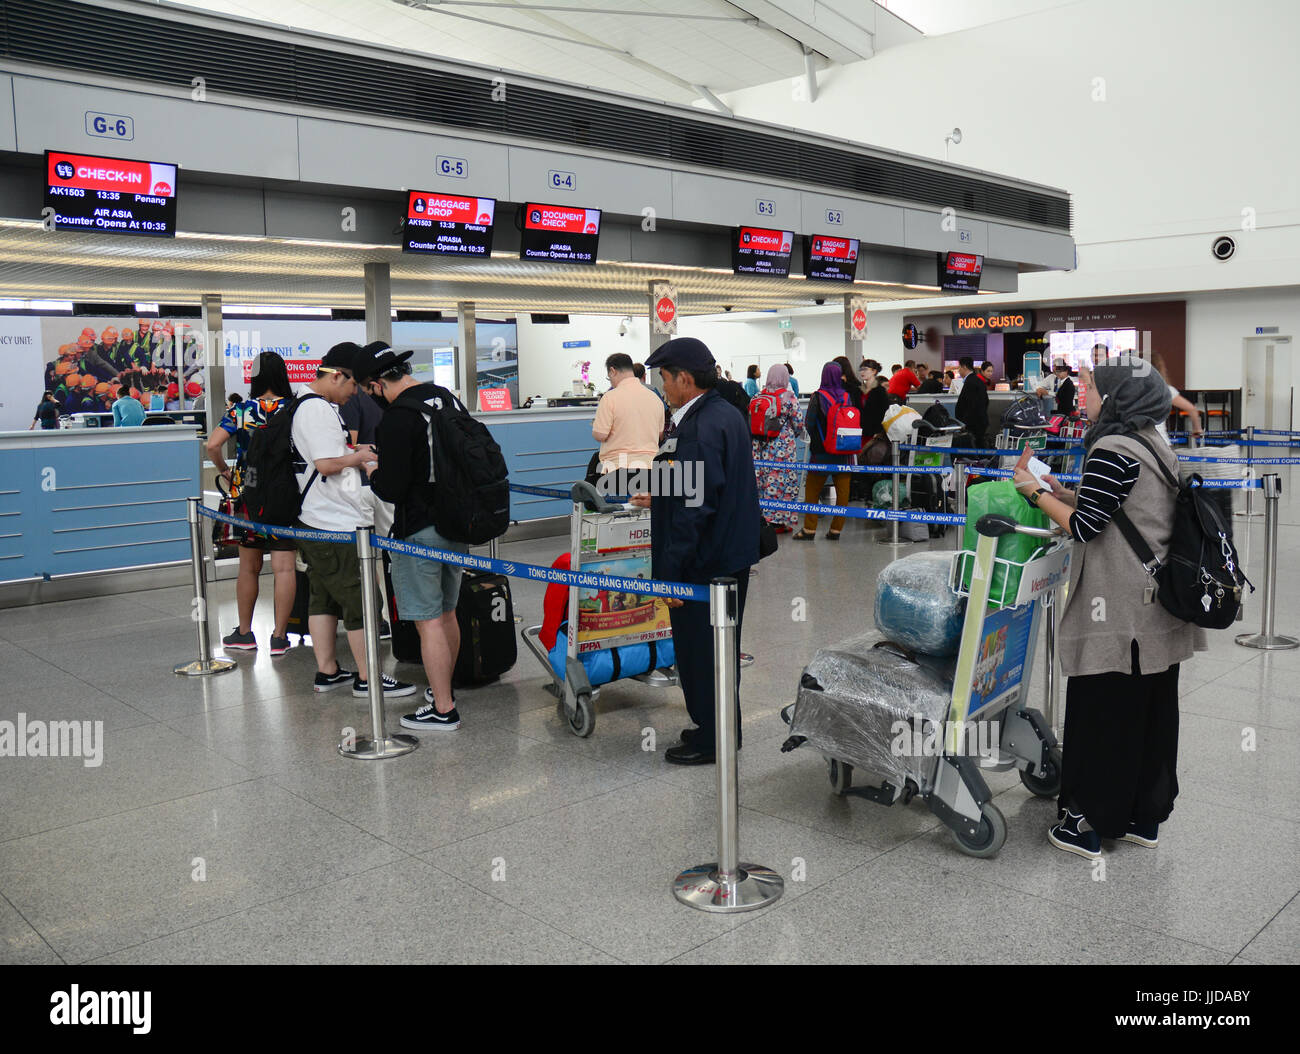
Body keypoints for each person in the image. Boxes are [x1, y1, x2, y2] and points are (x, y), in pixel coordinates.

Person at [1012, 356, 1197, 860]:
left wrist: (1031, 491)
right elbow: (1113, 507)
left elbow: (1086, 526)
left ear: (1116, 397)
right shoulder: (1155, 443)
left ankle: (1086, 824)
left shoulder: (1113, 446)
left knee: (1102, 714)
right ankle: (1142, 815)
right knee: (1152, 713)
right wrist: (1056, 491)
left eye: (1091, 388)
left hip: (1117, 613)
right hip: (1158, 611)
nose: (1084, 397)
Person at [633, 337, 759, 765]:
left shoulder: (699, 426)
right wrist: (663, 493)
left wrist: (670, 573)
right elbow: (706, 486)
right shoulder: (722, 413)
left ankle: (714, 739)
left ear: (684, 379)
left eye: (665, 379)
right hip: (727, 556)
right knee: (717, 651)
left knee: (701, 654)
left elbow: (695, 509)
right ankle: (718, 726)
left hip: (704, 565)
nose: (662, 387)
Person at [355, 344, 469, 731]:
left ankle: (443, 708)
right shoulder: (446, 399)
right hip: (457, 523)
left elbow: (391, 487)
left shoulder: (398, 418)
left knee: (428, 620)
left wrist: (372, 469)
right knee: (448, 611)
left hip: (419, 529)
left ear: (375, 384)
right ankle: (444, 688)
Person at [291, 343, 415, 699]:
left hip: (316, 518)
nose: (355, 394)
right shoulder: (317, 410)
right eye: (352, 385)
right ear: (336, 375)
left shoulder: (311, 405)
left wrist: (353, 452)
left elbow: (326, 455)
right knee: (362, 601)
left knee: (324, 598)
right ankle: (368, 677)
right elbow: (326, 464)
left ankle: (328, 671)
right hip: (334, 522)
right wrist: (359, 459)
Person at [206, 352, 300, 656]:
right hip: (285, 493)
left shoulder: (241, 410)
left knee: (249, 568)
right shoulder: (295, 408)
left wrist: (224, 469)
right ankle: (279, 637)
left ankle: (245, 634)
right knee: (285, 569)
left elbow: (212, 444)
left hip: (249, 492)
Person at [793, 362, 855, 541]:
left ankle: (809, 529)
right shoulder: (846, 396)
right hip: (844, 450)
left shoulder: (818, 396)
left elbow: (809, 423)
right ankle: (836, 530)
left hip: (821, 450)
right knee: (843, 492)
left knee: (812, 490)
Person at [592, 352, 666, 473]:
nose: (610, 382)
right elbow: (660, 435)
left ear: (612, 371)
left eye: (609, 378)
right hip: (651, 468)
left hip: (617, 468)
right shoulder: (655, 398)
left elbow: (600, 435)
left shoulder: (610, 397)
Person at [751, 363, 801, 532]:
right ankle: (777, 523)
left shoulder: (758, 395)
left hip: (758, 446)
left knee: (762, 482)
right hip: (782, 448)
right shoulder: (789, 397)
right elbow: (798, 424)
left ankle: (759, 518)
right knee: (781, 482)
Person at [1151, 352, 1202, 442]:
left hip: (1135, 443)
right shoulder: (1166, 389)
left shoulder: (1129, 391)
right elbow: (1192, 409)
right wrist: (1197, 429)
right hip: (1160, 441)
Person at [954, 356, 989, 445]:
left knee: (973, 450)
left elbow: (970, 405)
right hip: (979, 422)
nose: (959, 370)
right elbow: (986, 401)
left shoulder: (970, 382)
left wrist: (964, 422)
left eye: (959, 367)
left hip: (972, 425)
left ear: (964, 367)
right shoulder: (977, 380)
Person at [858, 359, 889, 438]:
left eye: (865, 369)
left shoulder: (880, 391)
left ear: (874, 371)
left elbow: (884, 412)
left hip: (875, 432)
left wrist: (879, 431)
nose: (862, 372)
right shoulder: (858, 390)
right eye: (861, 369)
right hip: (860, 431)